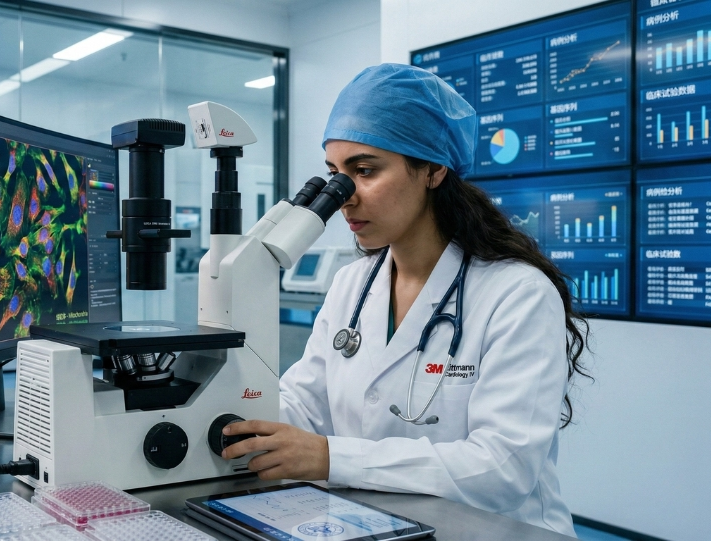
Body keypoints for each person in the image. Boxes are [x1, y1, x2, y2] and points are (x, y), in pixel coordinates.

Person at [220, 63, 587, 536]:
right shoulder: (352, 284)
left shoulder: (517, 294)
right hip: (376, 524)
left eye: (364, 171)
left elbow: (503, 469)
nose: (343, 196)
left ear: (433, 170)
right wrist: (230, 415)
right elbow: (304, 402)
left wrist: (331, 457)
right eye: (334, 174)